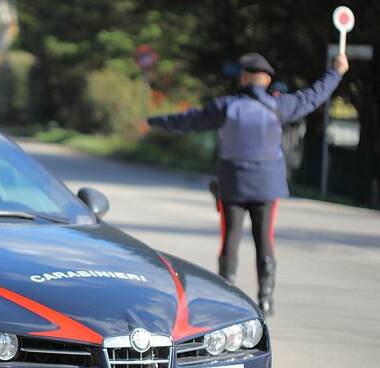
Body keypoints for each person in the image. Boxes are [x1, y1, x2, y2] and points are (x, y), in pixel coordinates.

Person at [138, 52, 349, 316]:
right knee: (265, 241)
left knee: (230, 240)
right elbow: (315, 95)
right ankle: (266, 299)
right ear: (267, 80)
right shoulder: (280, 105)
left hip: (233, 184)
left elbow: (188, 120)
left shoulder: (226, 105)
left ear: (246, 77)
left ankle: (227, 298)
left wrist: (153, 121)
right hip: (267, 186)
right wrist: (336, 72)